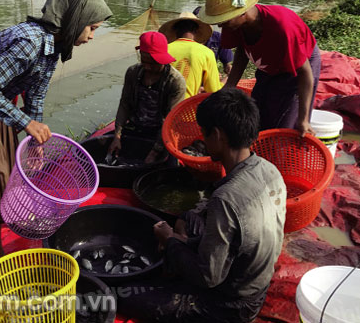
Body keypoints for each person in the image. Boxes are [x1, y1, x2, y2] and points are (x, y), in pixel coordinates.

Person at [0, 0, 112, 262]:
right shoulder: (29, 43)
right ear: (75, 20)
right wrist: (25, 123)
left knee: (8, 169)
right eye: (92, 28)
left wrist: (35, 139)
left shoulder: (52, 47)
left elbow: (35, 95)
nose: (93, 36)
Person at [118, 88, 286, 323]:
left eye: (204, 134)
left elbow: (208, 277)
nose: (203, 141)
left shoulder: (226, 198)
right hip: (255, 279)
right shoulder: (270, 170)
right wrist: (188, 242)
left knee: (122, 297)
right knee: (188, 218)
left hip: (231, 305)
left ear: (218, 136)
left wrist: (171, 240)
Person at [198, 0, 321, 135]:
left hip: (296, 70)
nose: (220, 26)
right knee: (257, 114)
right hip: (268, 66)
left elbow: (305, 73)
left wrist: (303, 119)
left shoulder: (282, 27)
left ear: (241, 12)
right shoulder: (234, 24)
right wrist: (229, 86)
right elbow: (242, 51)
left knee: (284, 125)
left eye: (223, 20)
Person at [107, 31, 186, 164]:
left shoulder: (175, 81)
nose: (148, 67)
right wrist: (117, 135)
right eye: (145, 61)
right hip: (135, 127)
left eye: (154, 63)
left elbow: (171, 120)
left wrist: (156, 150)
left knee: (170, 165)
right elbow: (125, 104)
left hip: (162, 133)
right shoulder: (133, 73)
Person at [159, 12, 222, 98]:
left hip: (161, 104)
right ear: (196, 31)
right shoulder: (206, 52)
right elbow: (213, 90)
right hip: (185, 107)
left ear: (175, 30)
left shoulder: (164, 49)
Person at [193, 5, 234, 75]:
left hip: (209, 76)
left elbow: (227, 64)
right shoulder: (188, 38)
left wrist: (228, 68)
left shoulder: (218, 38)